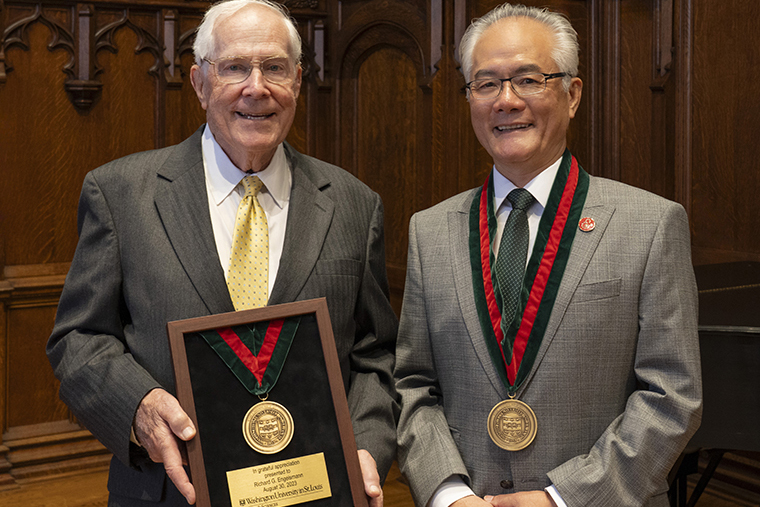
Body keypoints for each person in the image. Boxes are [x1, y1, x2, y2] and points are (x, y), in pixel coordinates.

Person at [46, 1, 398, 505]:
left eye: (274, 67)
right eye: (234, 67)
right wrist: (137, 406)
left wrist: (364, 444)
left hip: (315, 490)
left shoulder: (354, 205)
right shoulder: (121, 193)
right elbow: (78, 338)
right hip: (170, 491)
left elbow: (374, 354)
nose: (257, 88)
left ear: (297, 81)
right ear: (199, 83)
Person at [394, 3, 702, 507]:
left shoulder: (650, 224)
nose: (506, 100)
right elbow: (412, 385)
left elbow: (671, 395)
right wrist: (448, 494)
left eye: (529, 79)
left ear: (572, 94)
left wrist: (562, 498)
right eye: (486, 83)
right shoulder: (430, 231)